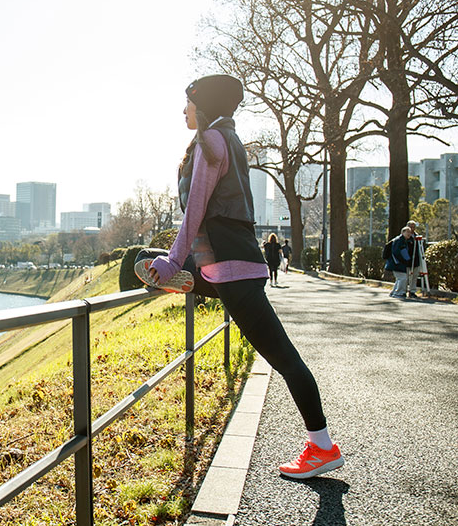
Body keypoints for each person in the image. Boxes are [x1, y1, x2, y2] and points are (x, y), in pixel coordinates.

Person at [139, 74, 342, 479]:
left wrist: (175, 261)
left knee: (285, 359)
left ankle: (322, 446)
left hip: (231, 269)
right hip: (226, 264)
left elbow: (194, 210)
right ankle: (191, 279)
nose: (183, 111)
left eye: (188, 104)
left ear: (204, 104)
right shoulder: (227, 138)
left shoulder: (211, 142)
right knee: (145, 259)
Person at [385, 227, 413, 299]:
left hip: (397, 263)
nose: (409, 234)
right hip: (397, 263)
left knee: (399, 278)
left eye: (410, 232)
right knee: (403, 278)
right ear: (402, 232)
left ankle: (394, 292)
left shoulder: (403, 240)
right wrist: (403, 260)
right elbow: (396, 252)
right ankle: (399, 293)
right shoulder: (399, 241)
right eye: (407, 232)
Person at [406, 220, 425, 298]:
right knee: (407, 276)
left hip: (416, 259)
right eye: (411, 227)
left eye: (414, 227)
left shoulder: (417, 236)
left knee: (414, 276)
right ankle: (404, 290)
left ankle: (412, 291)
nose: (412, 229)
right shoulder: (406, 236)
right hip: (408, 259)